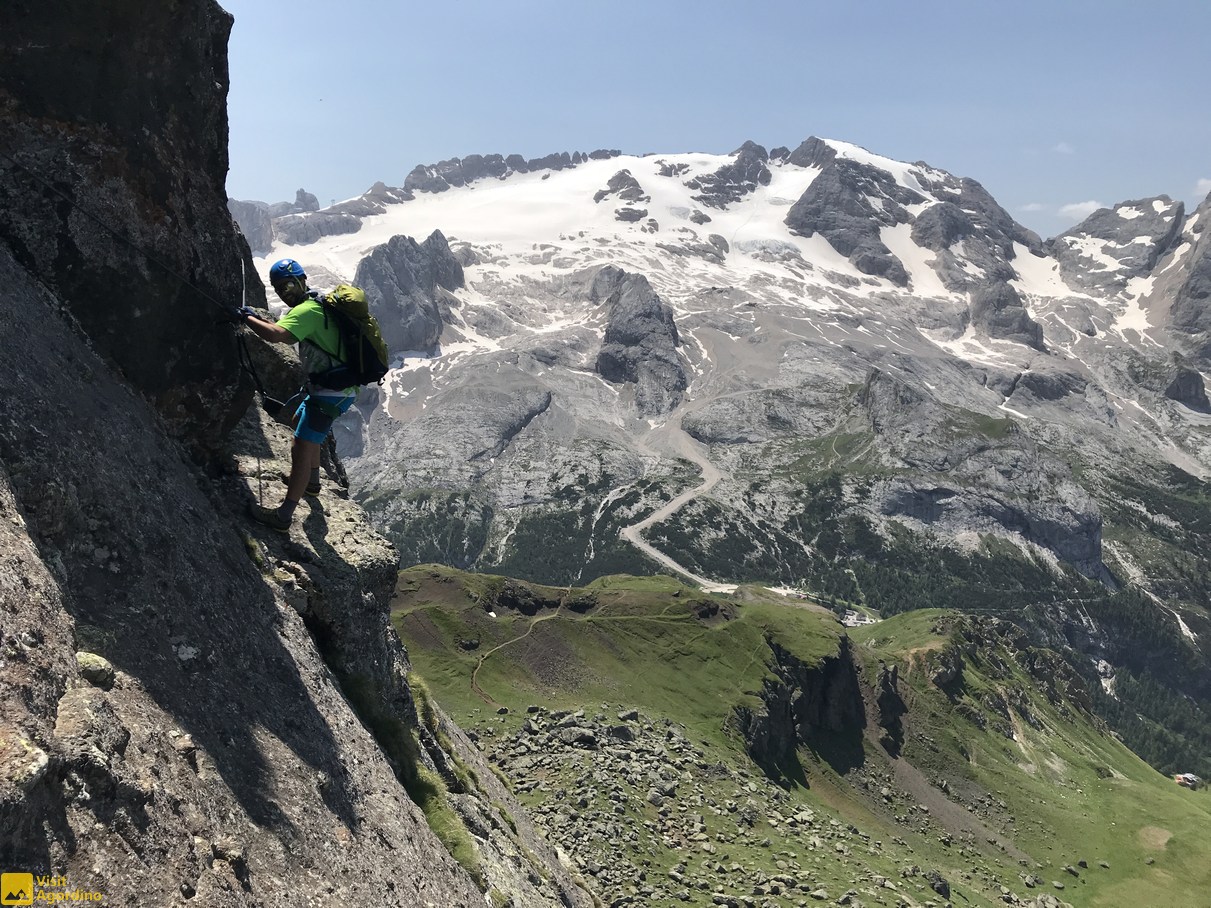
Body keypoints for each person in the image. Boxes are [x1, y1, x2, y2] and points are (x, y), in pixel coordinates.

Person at [237, 258, 359, 532]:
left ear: (303, 281)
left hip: (330, 393)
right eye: (280, 289)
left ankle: (283, 516)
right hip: (331, 388)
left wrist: (247, 318)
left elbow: (277, 335)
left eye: (289, 285)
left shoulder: (307, 311)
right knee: (299, 421)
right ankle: (312, 484)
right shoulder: (319, 304)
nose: (285, 292)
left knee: (300, 446)